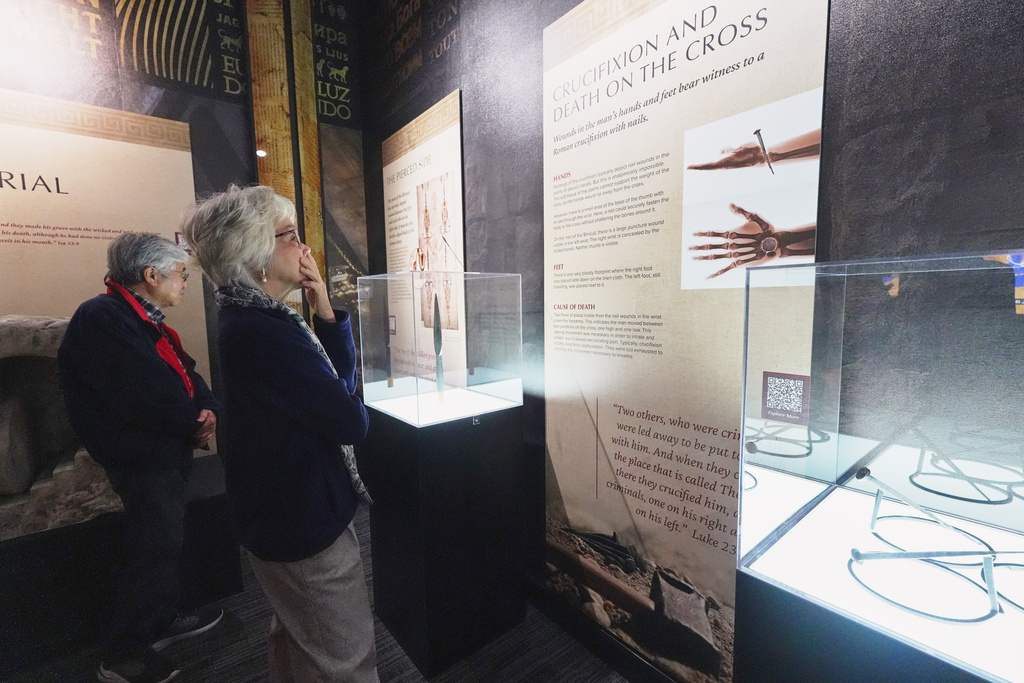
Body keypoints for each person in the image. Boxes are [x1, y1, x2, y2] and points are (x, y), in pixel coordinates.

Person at [180, 185, 377, 682]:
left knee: (299, 638)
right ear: (254, 255)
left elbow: (334, 392)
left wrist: (325, 311)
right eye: (289, 235)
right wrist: (346, 393)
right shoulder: (265, 331)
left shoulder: (251, 318)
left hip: (279, 514)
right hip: (302, 523)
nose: (304, 246)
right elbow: (350, 420)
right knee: (344, 658)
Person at [58, 232, 224, 683]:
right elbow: (144, 391)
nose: (184, 282)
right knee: (153, 550)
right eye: (180, 274)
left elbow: (185, 370)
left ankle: (160, 620)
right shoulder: (102, 317)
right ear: (151, 275)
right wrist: (194, 421)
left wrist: (208, 407)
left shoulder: (138, 317)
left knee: (164, 543)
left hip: (162, 451)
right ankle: (122, 654)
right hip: (141, 457)